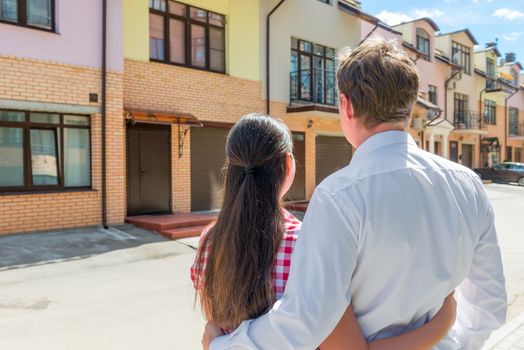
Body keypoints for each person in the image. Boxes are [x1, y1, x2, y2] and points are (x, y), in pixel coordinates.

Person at [204, 37, 507, 350]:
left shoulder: (339, 196)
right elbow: (489, 304)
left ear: (346, 105)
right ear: (409, 104)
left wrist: (223, 345)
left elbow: (305, 321)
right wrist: (450, 342)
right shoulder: (468, 184)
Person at [191, 113, 457, 349]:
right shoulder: (309, 243)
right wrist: (441, 324)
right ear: (288, 165)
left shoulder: (209, 241)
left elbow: (214, 321)